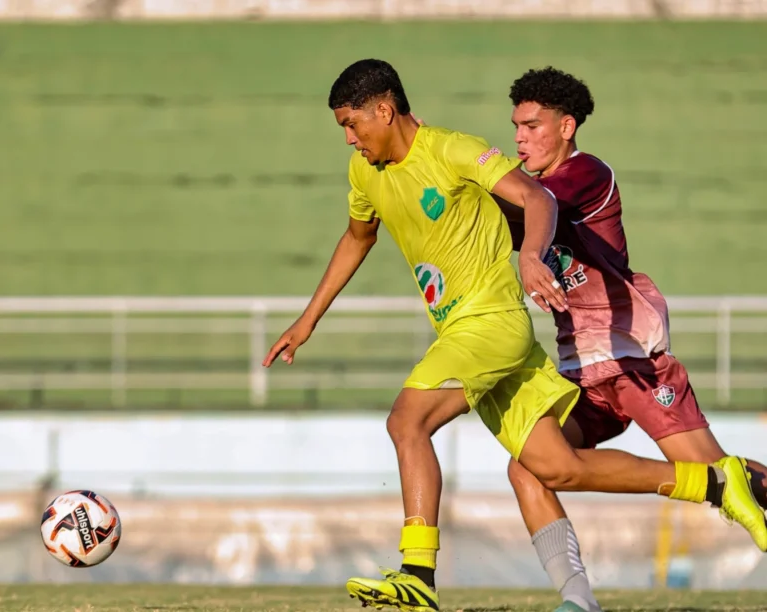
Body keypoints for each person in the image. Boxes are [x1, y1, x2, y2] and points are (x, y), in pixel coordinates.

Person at [262, 59, 767, 612]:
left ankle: (416, 576)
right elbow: (367, 233)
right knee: (546, 467)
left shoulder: (543, 166)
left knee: (407, 421)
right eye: (516, 128)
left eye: (352, 124)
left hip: (594, 347)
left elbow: (535, 197)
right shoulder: (372, 172)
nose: (349, 138)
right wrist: (308, 319)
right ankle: (619, 566)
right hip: (562, 355)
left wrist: (522, 247)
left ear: (384, 110)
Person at [499, 66, 767, 612]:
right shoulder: (530, 193)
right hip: (580, 371)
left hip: (630, 361)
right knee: (529, 463)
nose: (520, 138)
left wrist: (458, 173)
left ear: (567, 126)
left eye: (531, 125)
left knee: (723, 479)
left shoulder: (585, 173)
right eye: (516, 127)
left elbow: (524, 204)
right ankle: (578, 601)